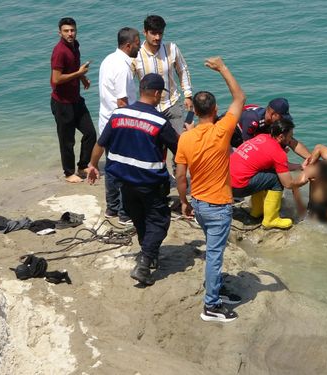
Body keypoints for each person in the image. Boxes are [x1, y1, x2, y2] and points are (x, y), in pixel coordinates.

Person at [85, 74, 179, 286]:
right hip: (150, 183)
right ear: (156, 94)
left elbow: (101, 143)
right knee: (159, 221)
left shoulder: (118, 115)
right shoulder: (159, 121)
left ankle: (149, 253)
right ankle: (145, 263)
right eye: (160, 95)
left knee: (139, 218)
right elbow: (179, 149)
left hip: (124, 183)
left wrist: (92, 165)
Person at [175, 57, 245, 323]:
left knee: (213, 252)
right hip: (218, 206)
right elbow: (239, 98)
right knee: (214, 256)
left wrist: (184, 202)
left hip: (199, 204)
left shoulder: (186, 137)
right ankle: (211, 306)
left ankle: (216, 289)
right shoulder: (221, 131)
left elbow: (181, 176)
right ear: (215, 110)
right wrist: (223, 68)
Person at [98, 27, 141, 224]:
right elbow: (122, 102)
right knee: (126, 169)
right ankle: (125, 213)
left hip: (107, 121)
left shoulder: (108, 60)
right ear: (128, 45)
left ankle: (112, 208)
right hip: (120, 125)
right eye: (137, 43)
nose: (140, 46)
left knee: (112, 167)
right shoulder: (123, 68)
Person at [230, 119, 305, 229]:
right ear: (281, 137)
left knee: (264, 171)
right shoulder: (278, 153)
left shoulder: (262, 137)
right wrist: (304, 179)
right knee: (277, 179)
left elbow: (278, 164)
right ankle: (271, 219)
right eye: (290, 136)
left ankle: (257, 211)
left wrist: (300, 167)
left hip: (226, 182)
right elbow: (288, 184)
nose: (291, 140)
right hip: (238, 187)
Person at [50, 17, 96, 183]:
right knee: (67, 141)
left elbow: (73, 68)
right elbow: (56, 79)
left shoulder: (75, 45)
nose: (70, 34)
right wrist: (78, 74)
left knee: (91, 133)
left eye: (72, 30)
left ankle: (83, 165)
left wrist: (82, 77)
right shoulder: (59, 51)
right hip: (62, 103)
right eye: (66, 31)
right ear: (60, 33)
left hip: (76, 100)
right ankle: (69, 173)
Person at [132, 15, 193, 134]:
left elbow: (183, 70)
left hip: (172, 105)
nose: (157, 37)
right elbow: (128, 81)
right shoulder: (136, 55)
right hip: (149, 109)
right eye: (153, 33)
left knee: (179, 143)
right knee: (153, 147)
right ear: (144, 32)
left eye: (160, 33)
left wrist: (188, 95)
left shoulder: (171, 48)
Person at [235, 98, 311, 159]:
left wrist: (312, 160)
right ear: (273, 114)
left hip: (255, 132)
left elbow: (290, 140)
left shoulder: (273, 121)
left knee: (285, 138)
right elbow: (247, 147)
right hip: (234, 136)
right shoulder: (252, 118)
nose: (283, 120)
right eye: (281, 117)